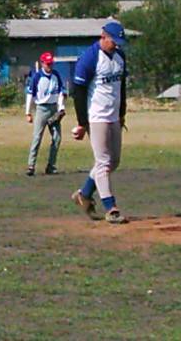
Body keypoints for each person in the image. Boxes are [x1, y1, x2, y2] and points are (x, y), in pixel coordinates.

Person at [69, 20, 128, 224]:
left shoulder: (120, 57)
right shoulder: (90, 58)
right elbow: (78, 92)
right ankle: (111, 207)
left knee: (114, 162)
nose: (116, 45)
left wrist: (122, 114)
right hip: (96, 116)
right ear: (103, 37)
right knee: (103, 162)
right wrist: (82, 123)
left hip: (113, 116)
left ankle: (84, 193)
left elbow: (122, 87)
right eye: (114, 41)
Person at [25, 52, 67, 176]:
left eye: (51, 63)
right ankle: (31, 165)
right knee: (37, 137)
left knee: (57, 138)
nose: (49, 66)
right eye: (47, 63)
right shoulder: (37, 77)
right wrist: (28, 112)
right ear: (42, 63)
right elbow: (30, 94)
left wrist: (61, 108)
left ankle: (51, 165)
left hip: (53, 108)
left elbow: (60, 92)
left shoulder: (56, 75)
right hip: (41, 109)